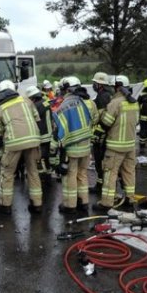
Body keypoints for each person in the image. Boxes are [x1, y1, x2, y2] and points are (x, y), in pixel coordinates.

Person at [0, 80, 42, 214]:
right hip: (33, 140)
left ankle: (5, 206)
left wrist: (0, 153)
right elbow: (38, 120)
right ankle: (37, 204)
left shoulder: (1, 109)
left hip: (14, 143)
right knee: (33, 172)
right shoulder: (27, 101)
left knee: (7, 173)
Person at [93, 75, 139, 211]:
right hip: (130, 145)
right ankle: (130, 199)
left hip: (115, 146)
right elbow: (136, 121)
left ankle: (106, 202)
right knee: (129, 172)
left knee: (110, 173)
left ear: (117, 87)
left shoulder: (115, 103)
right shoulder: (134, 102)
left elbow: (106, 122)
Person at [53, 76, 93, 214]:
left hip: (72, 148)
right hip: (86, 146)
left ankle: (70, 206)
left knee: (70, 176)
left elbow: (59, 131)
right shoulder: (87, 103)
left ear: (66, 89)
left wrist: (54, 152)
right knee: (82, 174)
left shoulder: (63, 107)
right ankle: (84, 203)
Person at [89, 72, 114, 196]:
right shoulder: (109, 95)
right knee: (102, 161)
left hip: (102, 134)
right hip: (107, 134)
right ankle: (100, 185)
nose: (93, 85)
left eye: (95, 83)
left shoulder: (102, 97)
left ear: (99, 85)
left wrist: (98, 134)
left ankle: (100, 186)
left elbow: (101, 117)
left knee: (100, 160)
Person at [26, 85, 53, 176]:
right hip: (48, 132)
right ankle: (48, 169)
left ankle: (41, 173)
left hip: (41, 133)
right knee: (47, 154)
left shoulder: (36, 106)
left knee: (39, 154)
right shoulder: (46, 102)